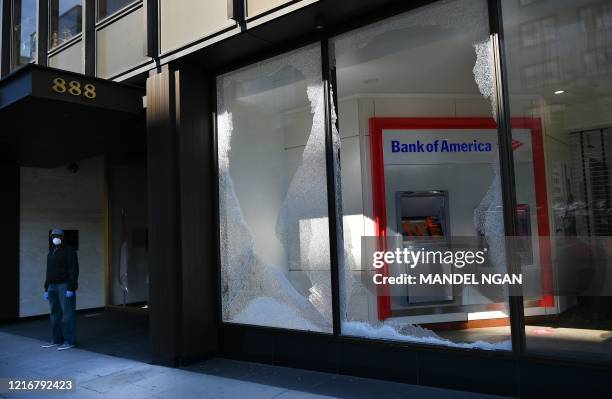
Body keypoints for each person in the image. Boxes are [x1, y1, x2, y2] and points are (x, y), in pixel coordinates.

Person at [41, 229, 79, 350]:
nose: (55, 238)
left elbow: (74, 270)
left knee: (67, 315)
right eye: (53, 236)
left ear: (62, 237)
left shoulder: (69, 251)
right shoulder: (51, 252)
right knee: (54, 314)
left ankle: (69, 341)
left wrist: (71, 287)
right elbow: (48, 272)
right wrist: (46, 288)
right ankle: (56, 340)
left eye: (57, 236)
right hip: (52, 286)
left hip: (64, 286)